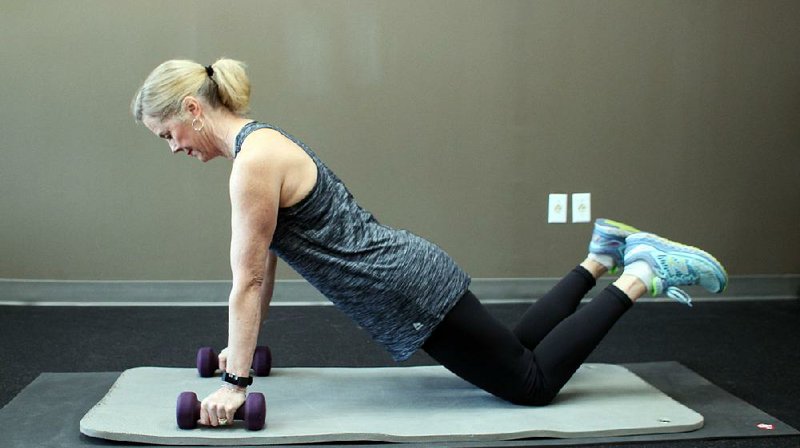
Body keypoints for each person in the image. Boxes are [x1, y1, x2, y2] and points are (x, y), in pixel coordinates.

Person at [131, 58, 728, 428]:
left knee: (531, 385)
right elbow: (265, 265)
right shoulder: (260, 146)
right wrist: (242, 362)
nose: (173, 147)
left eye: (168, 133)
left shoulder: (251, 165)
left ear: (192, 108)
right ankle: (600, 255)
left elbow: (248, 279)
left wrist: (235, 387)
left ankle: (639, 273)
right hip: (408, 274)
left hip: (406, 292)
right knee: (515, 346)